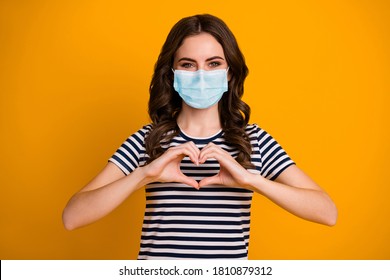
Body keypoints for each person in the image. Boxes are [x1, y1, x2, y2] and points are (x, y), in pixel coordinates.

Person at [62, 14, 337, 259]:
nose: (201, 74)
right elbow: (72, 217)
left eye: (214, 63)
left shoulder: (253, 140)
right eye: (188, 64)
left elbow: (327, 212)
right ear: (171, 73)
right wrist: (145, 175)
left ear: (230, 72)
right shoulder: (149, 139)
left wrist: (250, 179)